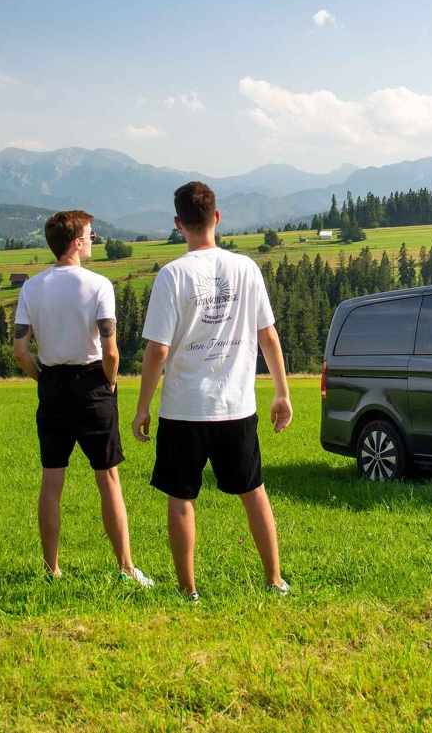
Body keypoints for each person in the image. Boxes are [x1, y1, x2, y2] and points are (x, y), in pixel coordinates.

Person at [131, 181, 293, 600]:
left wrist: (143, 406)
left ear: (178, 224)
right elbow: (268, 337)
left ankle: (188, 590)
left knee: (181, 497)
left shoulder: (171, 275)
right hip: (236, 405)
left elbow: (157, 350)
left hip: (184, 408)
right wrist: (282, 392)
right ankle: (274, 581)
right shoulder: (247, 269)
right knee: (253, 491)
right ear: (216, 218)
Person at [11, 210, 153, 587]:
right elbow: (111, 351)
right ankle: (125, 568)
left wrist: (44, 379)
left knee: (51, 480)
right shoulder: (98, 285)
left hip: (52, 385)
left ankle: (51, 570)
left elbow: (20, 351)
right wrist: (108, 383)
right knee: (108, 478)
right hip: (93, 384)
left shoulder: (31, 287)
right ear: (75, 242)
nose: (94, 239)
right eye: (90, 234)